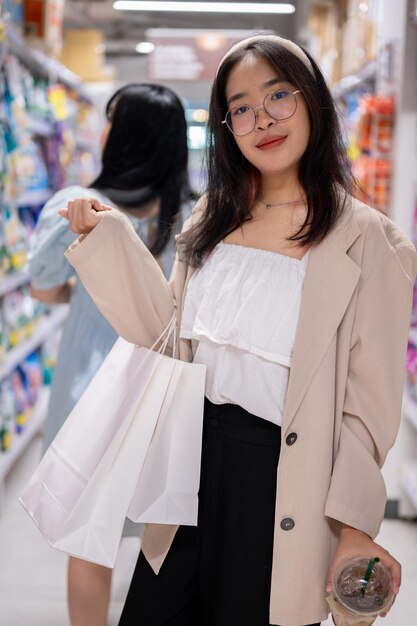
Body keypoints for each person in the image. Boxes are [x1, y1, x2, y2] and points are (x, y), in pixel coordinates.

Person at [59, 35, 416, 626]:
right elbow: (165, 340)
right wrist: (111, 240)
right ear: (226, 126)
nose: (263, 119)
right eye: (242, 107)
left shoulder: (369, 241)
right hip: (188, 472)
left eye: (280, 94)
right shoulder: (212, 218)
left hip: (279, 482)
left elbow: (366, 413)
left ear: (315, 104)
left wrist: (354, 529)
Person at [28, 83, 195, 626]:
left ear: (122, 136)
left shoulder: (75, 206)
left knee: (88, 533)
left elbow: (44, 286)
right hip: (166, 387)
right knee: (165, 532)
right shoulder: (193, 217)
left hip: (89, 385)